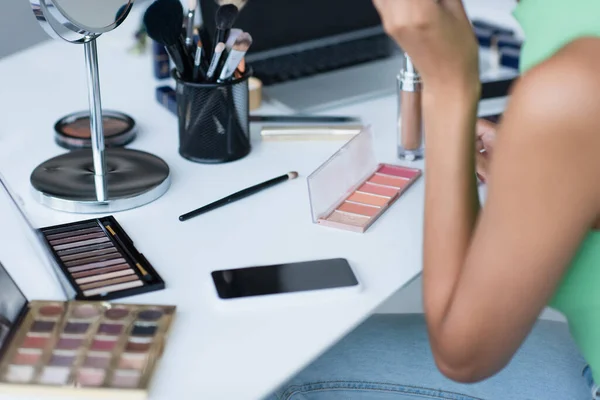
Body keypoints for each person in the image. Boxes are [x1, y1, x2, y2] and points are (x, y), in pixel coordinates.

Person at [268, 0, 600, 398]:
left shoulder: (572, 81)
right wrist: (545, 178)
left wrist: (448, 87)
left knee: (276, 370)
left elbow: (463, 356)